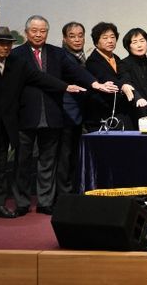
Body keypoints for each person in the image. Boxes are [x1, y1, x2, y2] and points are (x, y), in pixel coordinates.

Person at [0, 26, 86, 221]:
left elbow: (40, 77)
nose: (6, 47)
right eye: (1, 44)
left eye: (8, 44)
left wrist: (65, 86)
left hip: (4, 128)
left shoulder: (17, 65)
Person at [11, 16, 117, 216]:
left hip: (52, 114)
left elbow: (76, 71)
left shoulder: (57, 53)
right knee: (22, 162)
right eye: (34, 30)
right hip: (25, 114)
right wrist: (65, 86)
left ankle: (45, 202)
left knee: (48, 161)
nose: (38, 34)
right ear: (26, 33)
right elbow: (29, 79)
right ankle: (22, 203)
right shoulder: (16, 55)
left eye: (43, 31)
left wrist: (96, 84)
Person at [56, 21, 89, 197]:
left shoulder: (83, 57)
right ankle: (64, 196)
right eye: (72, 36)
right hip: (66, 115)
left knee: (76, 156)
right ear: (64, 38)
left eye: (80, 35)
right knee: (65, 157)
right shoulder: (62, 57)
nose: (77, 39)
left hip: (81, 115)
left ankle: (75, 192)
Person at [84, 22, 131, 130]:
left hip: (119, 111)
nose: (110, 41)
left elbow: (125, 75)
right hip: (102, 113)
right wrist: (123, 86)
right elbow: (107, 78)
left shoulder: (116, 58)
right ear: (96, 42)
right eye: (105, 38)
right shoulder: (92, 61)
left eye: (112, 37)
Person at [119, 28, 147, 123]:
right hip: (134, 110)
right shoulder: (124, 63)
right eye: (134, 42)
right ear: (128, 46)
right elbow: (126, 81)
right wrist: (137, 98)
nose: (139, 45)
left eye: (142, 41)